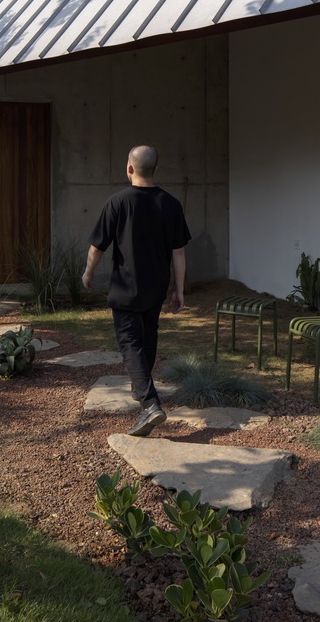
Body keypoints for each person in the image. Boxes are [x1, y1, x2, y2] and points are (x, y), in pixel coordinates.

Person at [82, 145, 190, 437]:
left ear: (129, 168)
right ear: (154, 169)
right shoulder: (171, 204)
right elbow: (178, 252)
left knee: (130, 343)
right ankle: (142, 387)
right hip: (156, 287)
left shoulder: (117, 202)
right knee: (147, 336)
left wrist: (88, 273)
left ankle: (149, 404)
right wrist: (178, 290)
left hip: (126, 288)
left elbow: (97, 247)